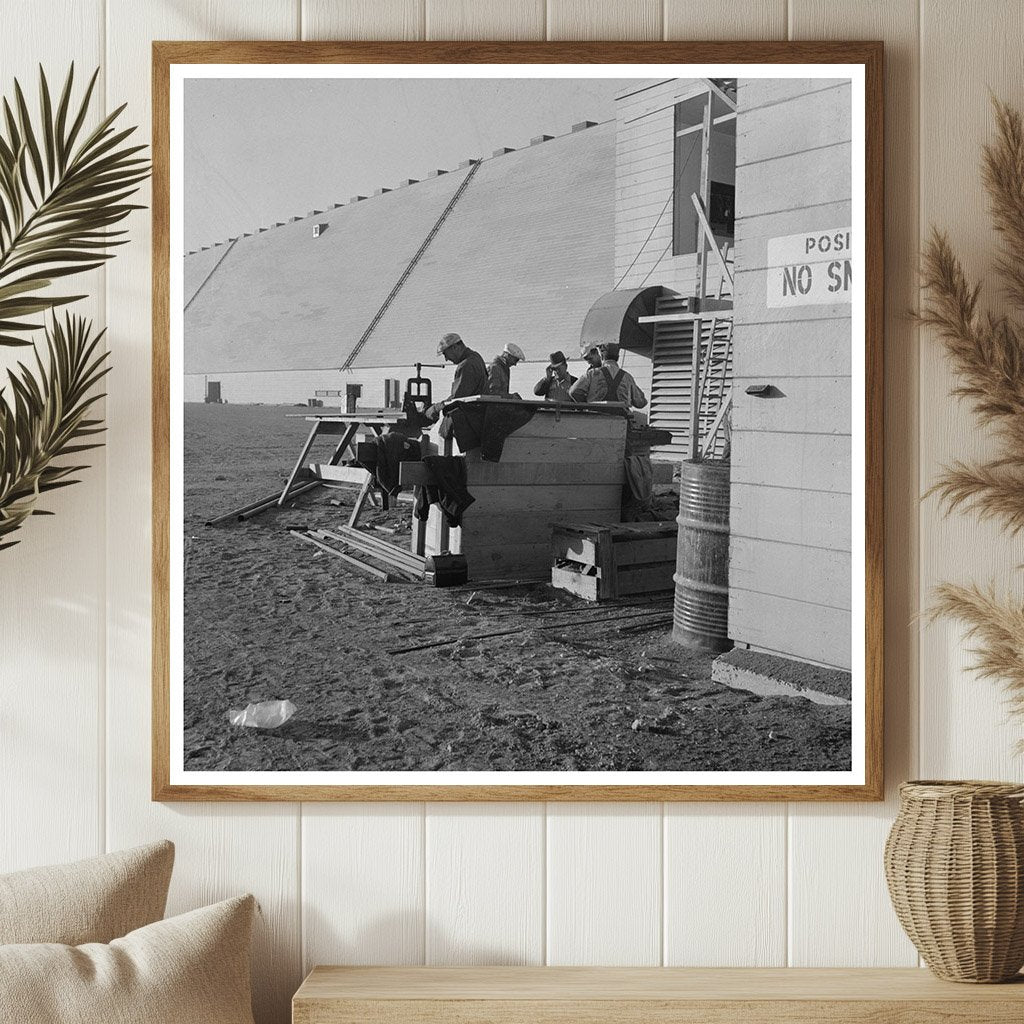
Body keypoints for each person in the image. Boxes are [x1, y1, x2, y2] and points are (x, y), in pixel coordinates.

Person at [425, 332, 488, 435]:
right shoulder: (476, 357)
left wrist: (435, 408)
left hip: (469, 421)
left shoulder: (465, 365)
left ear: (455, 347)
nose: (446, 359)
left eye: (446, 354)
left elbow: (457, 399)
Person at [569, 342, 648, 408]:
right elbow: (641, 403)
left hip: (595, 419)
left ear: (602, 356)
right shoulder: (627, 377)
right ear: (617, 357)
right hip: (621, 422)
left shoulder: (592, 374)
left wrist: (588, 404)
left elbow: (573, 391)